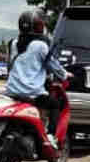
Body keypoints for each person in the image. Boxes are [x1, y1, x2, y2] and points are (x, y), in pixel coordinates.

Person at [6, 9, 69, 148]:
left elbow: (10, 66)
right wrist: (65, 75)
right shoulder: (40, 45)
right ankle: (51, 137)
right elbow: (53, 65)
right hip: (32, 93)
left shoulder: (14, 43)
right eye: (40, 25)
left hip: (11, 91)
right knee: (54, 105)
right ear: (36, 27)